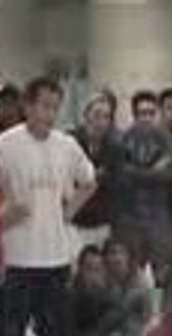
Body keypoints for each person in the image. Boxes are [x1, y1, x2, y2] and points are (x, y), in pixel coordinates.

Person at [0, 76, 102, 336]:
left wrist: (68, 212)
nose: (48, 113)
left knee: (58, 335)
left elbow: (89, 180)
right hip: (17, 256)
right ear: (27, 106)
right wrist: (1, 220)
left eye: (55, 106)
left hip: (54, 255)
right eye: (42, 105)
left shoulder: (66, 145)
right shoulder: (1, 146)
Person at [118, 90, 172, 276]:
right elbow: (122, 176)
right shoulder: (123, 141)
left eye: (151, 113)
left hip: (158, 215)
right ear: (134, 116)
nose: (147, 118)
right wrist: (152, 172)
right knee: (133, 270)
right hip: (131, 216)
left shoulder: (167, 140)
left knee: (162, 271)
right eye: (142, 113)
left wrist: (138, 173)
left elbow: (169, 175)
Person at [71, 93, 120, 256]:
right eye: (97, 115)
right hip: (74, 223)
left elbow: (113, 184)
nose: (100, 122)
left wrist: (93, 179)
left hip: (102, 223)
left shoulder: (114, 148)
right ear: (86, 116)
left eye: (106, 117)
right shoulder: (70, 143)